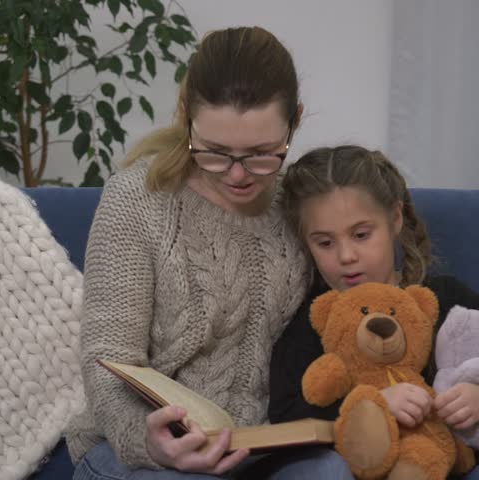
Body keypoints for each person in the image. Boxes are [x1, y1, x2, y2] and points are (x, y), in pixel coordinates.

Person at [66, 27, 353, 480]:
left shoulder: (300, 204)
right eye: (215, 152)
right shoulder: (138, 199)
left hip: (258, 445)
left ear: (294, 122)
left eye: (262, 154)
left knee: (329, 473)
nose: (238, 175)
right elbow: (107, 356)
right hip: (142, 449)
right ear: (187, 116)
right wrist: (150, 440)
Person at [269, 145, 479, 479]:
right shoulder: (316, 318)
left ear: (395, 218)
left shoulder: (444, 297)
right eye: (325, 243)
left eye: (361, 234)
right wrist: (373, 404)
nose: (346, 255)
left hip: (454, 464)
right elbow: (287, 412)